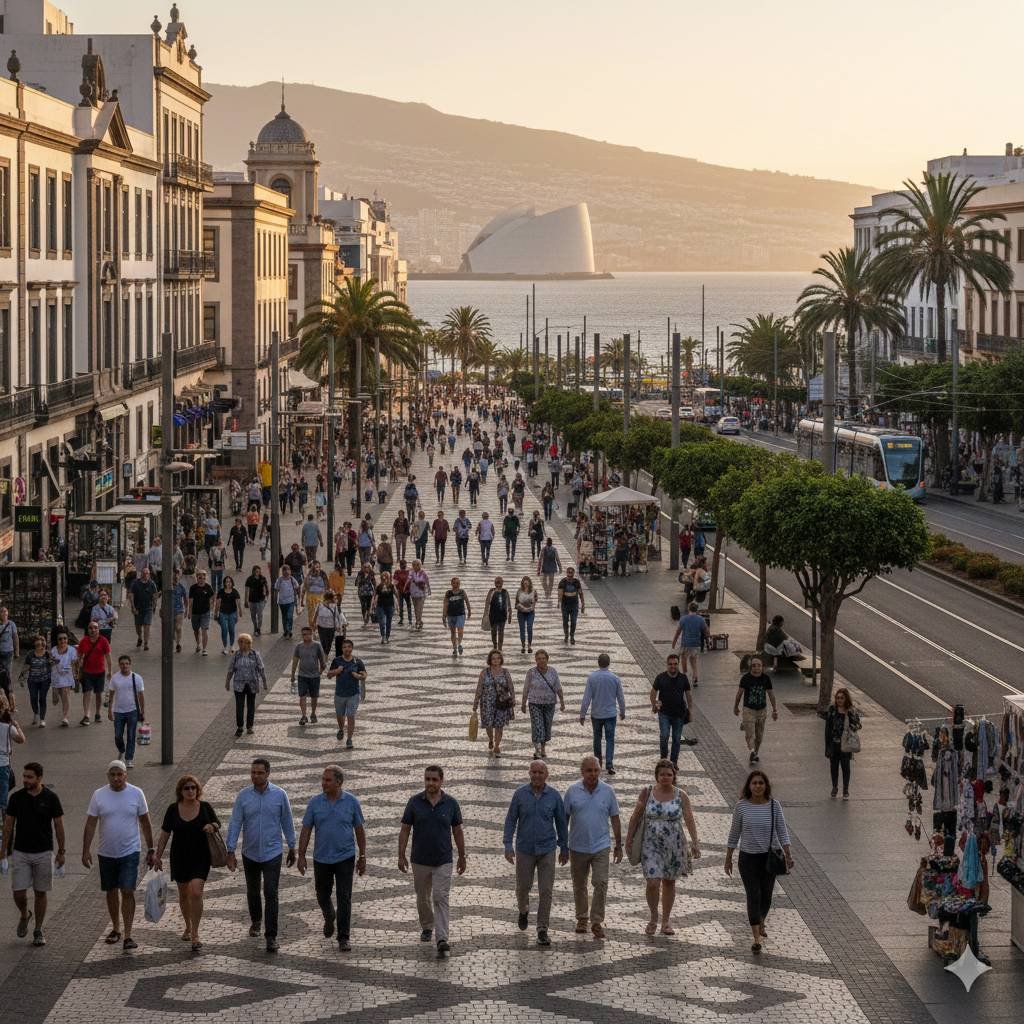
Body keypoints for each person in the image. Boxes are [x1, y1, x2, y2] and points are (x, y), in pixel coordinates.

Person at [82, 760, 155, 952]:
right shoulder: (99, 795)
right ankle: (115, 928)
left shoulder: (136, 793)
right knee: (111, 890)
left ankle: (129, 934)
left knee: (127, 889)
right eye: (112, 774)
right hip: (106, 852)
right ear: (108, 776)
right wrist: (85, 849)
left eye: (119, 774)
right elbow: (90, 823)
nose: (116, 778)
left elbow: (145, 822)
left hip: (130, 851)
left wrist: (151, 849)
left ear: (125, 775)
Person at [625, 759, 701, 936]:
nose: (666, 777)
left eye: (669, 774)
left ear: (674, 776)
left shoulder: (681, 795)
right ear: (656, 776)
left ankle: (665, 921)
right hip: (650, 844)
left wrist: (695, 842)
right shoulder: (647, 792)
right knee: (652, 882)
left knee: (669, 881)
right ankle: (653, 916)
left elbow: (689, 818)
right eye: (662, 774)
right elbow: (635, 816)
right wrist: (628, 840)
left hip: (674, 844)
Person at [398, 765, 467, 958]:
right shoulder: (414, 802)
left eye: (434, 780)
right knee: (422, 896)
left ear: (441, 781)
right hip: (419, 859)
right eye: (427, 779)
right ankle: (427, 925)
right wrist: (401, 854)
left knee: (440, 897)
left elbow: (457, 831)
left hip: (443, 859)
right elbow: (405, 829)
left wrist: (462, 856)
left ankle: (442, 938)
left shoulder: (451, 803)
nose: (430, 783)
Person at [297, 765, 366, 952]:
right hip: (321, 858)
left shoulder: (351, 802)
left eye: (328, 780)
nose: (323, 783)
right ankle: (329, 915)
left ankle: (344, 936)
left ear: (339, 782)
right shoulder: (315, 803)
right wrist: (301, 855)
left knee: (344, 897)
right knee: (322, 894)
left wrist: (362, 856)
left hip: (345, 857)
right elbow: (306, 829)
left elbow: (359, 830)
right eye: (323, 779)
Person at [724, 770, 794, 953]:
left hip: (769, 857)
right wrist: (728, 857)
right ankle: (756, 938)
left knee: (766, 896)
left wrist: (788, 854)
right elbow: (734, 833)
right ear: (749, 786)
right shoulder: (741, 807)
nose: (757, 786)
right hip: (748, 858)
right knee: (753, 895)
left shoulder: (774, 806)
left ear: (766, 786)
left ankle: (761, 919)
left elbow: (782, 831)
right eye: (754, 783)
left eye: (761, 783)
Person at [503, 760, 568, 947]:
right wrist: (508, 845)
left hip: (547, 848)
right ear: (529, 773)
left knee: (546, 890)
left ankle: (542, 928)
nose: (537, 776)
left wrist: (564, 848)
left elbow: (562, 824)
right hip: (525, 849)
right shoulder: (520, 794)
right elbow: (510, 821)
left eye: (540, 772)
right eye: (534, 772)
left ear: (546, 775)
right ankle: (523, 910)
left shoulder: (554, 796)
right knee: (523, 888)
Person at [153, 775, 220, 953]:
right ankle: (188, 925)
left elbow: (217, 822)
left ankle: (196, 934)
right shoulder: (173, 809)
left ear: (198, 790)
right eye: (187, 788)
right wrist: (157, 856)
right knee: (184, 894)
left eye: (193, 788)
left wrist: (212, 826)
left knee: (196, 892)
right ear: (180, 791)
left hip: (200, 856)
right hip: (180, 856)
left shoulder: (205, 807)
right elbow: (165, 834)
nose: (190, 791)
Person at [2, 760, 62, 947]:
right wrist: (3, 851)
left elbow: (58, 825)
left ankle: (38, 929)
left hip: (44, 852)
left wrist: (62, 851)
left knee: (40, 892)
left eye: (30, 777)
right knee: (18, 892)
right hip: (21, 852)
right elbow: (8, 825)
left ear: (39, 778)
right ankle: (24, 914)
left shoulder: (51, 798)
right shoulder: (17, 798)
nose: (25, 780)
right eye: (24, 776)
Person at [563, 755, 621, 940]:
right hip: (577, 846)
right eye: (589, 770)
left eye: (596, 770)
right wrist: (563, 845)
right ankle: (581, 918)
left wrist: (619, 844)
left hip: (601, 845)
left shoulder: (608, 791)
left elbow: (615, 818)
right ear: (582, 772)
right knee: (579, 884)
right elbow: (564, 819)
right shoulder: (572, 791)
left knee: (601, 882)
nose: (593, 774)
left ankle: (596, 920)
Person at [580, 653, 626, 774]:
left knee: (597, 738)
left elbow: (586, 698)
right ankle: (609, 764)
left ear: (598, 663)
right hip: (611, 714)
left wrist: (582, 714)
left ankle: (598, 762)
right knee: (610, 739)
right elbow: (620, 697)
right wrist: (622, 711)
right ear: (609, 663)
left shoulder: (592, 678)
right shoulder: (615, 678)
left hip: (597, 714)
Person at [650, 653, 697, 764]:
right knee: (664, 736)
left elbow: (688, 695)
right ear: (667, 665)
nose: (673, 666)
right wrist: (655, 703)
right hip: (664, 713)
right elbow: (653, 693)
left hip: (679, 714)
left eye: (675, 664)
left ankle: (673, 762)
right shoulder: (660, 678)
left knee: (676, 739)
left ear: (678, 664)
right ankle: (664, 759)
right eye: (670, 664)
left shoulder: (683, 678)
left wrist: (690, 710)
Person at [733, 655, 778, 764]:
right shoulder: (745, 678)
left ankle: (755, 753)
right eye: (754, 666)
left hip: (762, 711)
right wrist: (736, 706)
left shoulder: (766, 679)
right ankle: (752, 751)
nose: (756, 668)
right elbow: (739, 694)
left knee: (759, 736)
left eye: (759, 666)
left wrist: (775, 710)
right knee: (750, 734)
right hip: (748, 710)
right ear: (750, 667)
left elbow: (771, 694)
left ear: (762, 667)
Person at [522, 649, 565, 759]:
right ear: (535, 660)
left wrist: (562, 701)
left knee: (546, 726)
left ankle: (543, 748)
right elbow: (526, 688)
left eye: (543, 658)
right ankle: (537, 750)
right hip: (534, 703)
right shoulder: (531, 672)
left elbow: (558, 687)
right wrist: (523, 703)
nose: (541, 661)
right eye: (539, 659)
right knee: (537, 726)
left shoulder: (553, 672)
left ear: (547, 659)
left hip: (549, 703)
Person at [473, 649, 516, 757]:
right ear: (490, 660)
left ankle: (497, 745)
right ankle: (490, 739)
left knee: (499, 725)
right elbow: (479, 688)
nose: (496, 660)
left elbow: (511, 686)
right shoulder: (484, 672)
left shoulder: (505, 672)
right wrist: (475, 703)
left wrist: (513, 698)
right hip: (487, 702)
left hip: (502, 702)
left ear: (501, 659)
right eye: (493, 658)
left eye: (498, 658)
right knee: (488, 724)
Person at [225, 634, 268, 737]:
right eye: (240, 642)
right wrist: (227, 682)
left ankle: (249, 727)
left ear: (249, 644)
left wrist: (265, 681)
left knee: (251, 706)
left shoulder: (255, 654)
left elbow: (261, 669)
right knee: (239, 706)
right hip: (239, 684)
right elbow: (231, 670)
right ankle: (240, 727)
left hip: (252, 684)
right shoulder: (236, 655)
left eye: (244, 642)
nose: (241, 645)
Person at [327, 638, 366, 749]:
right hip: (339, 694)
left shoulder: (357, 661)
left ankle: (349, 739)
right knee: (340, 716)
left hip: (353, 694)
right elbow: (329, 675)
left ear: (352, 648)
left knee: (351, 716)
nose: (347, 649)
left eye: (349, 647)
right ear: (342, 649)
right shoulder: (337, 661)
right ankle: (340, 729)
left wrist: (358, 676)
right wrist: (336, 671)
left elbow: (364, 675)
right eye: (344, 647)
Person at [823, 687, 861, 800]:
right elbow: (827, 728)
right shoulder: (832, 710)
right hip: (834, 744)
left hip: (845, 744)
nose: (839, 700)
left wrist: (850, 726)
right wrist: (827, 745)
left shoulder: (851, 711)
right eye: (837, 698)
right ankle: (834, 787)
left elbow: (858, 725)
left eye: (842, 698)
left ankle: (845, 790)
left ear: (846, 699)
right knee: (833, 767)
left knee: (845, 767)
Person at [75, 620, 111, 726]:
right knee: (87, 693)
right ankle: (87, 715)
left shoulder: (104, 641)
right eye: (91, 628)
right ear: (88, 630)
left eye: (95, 628)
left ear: (98, 630)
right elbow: (79, 655)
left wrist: (110, 670)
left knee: (98, 693)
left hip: (100, 671)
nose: (93, 630)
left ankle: (98, 713)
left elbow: (108, 656)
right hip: (87, 672)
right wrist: (78, 666)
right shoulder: (84, 641)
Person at [291, 626, 327, 727]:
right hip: (302, 676)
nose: (305, 636)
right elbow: (295, 661)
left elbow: (322, 661)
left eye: (307, 634)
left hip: (314, 676)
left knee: (314, 697)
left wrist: (320, 672)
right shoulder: (299, 646)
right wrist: (292, 675)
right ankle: (303, 716)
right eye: (303, 634)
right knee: (302, 696)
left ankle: (313, 713)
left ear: (311, 634)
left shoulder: (317, 645)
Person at [19, 636, 51, 727]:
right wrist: (22, 678)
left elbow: (53, 664)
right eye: (36, 641)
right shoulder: (30, 654)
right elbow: (26, 667)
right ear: (34, 643)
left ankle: (42, 719)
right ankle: (36, 713)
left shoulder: (47, 654)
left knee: (42, 698)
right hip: (32, 680)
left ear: (43, 642)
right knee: (33, 698)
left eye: (40, 640)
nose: (38, 642)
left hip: (45, 680)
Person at [49, 632, 77, 728]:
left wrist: (75, 675)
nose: (63, 640)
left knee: (65, 695)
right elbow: (51, 664)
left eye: (64, 638)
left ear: (67, 639)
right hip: (56, 676)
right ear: (57, 640)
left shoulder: (72, 650)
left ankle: (65, 717)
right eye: (60, 639)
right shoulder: (53, 650)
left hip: (67, 676)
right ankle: (55, 694)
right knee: (56, 699)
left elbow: (74, 663)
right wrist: (52, 661)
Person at [127, 567, 158, 651]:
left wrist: (154, 606)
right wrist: (133, 607)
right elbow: (131, 595)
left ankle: (146, 643)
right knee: (138, 626)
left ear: (149, 575)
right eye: (144, 573)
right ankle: (140, 637)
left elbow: (155, 596)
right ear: (141, 574)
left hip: (148, 608)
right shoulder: (135, 583)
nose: (145, 575)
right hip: (138, 608)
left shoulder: (152, 584)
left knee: (147, 625)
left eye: (147, 573)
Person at [188, 569, 215, 655]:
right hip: (195, 612)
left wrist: (211, 611)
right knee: (196, 630)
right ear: (197, 577)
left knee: (204, 630)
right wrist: (189, 612)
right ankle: (198, 644)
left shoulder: (208, 587)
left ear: (205, 577)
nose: (201, 578)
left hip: (205, 612)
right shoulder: (193, 588)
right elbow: (191, 601)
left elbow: (212, 599)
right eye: (199, 576)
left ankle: (204, 649)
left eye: (203, 576)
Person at [442, 577, 471, 657]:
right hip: (450, 615)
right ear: (451, 584)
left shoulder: (462, 592)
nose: (456, 585)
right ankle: (454, 648)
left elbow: (467, 601)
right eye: (454, 583)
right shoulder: (448, 593)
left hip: (461, 614)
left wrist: (469, 610)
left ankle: (459, 644)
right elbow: (445, 604)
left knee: (460, 630)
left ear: (459, 584)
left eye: (457, 583)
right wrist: (444, 616)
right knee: (453, 632)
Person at [482, 576, 513, 651]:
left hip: (503, 615)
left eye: (500, 581)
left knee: (501, 631)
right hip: (493, 615)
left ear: (502, 583)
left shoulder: (505, 592)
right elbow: (487, 603)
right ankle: (495, 645)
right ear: (494, 583)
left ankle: (500, 648)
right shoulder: (491, 591)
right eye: (496, 581)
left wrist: (510, 614)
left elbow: (508, 603)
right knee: (493, 631)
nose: (498, 583)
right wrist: (485, 614)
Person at [214, 575, 242, 655]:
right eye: (226, 581)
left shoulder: (234, 591)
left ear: (232, 583)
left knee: (232, 630)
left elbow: (238, 602)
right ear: (224, 583)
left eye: (229, 581)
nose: (228, 583)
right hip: (223, 613)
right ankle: (225, 647)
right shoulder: (221, 592)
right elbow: (218, 603)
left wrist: (240, 611)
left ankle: (232, 646)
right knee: (224, 630)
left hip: (232, 613)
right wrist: (216, 613)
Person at [557, 566, 585, 644]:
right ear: (566, 573)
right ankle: (566, 635)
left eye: (571, 573)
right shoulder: (562, 582)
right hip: (565, 605)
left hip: (574, 605)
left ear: (573, 573)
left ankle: (572, 636)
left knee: (574, 621)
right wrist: (559, 602)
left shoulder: (576, 582)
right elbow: (560, 593)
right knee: (565, 621)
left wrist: (583, 604)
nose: (569, 575)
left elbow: (580, 593)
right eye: (568, 573)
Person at [274, 565, 301, 640]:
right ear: (282, 572)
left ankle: (289, 630)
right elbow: (276, 589)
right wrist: (275, 599)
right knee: (284, 617)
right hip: (282, 602)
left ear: (290, 571)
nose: (286, 572)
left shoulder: (292, 579)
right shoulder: (280, 580)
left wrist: (299, 597)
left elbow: (298, 588)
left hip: (291, 601)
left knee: (289, 616)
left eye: (288, 570)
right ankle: (286, 630)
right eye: (284, 570)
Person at [371, 570, 398, 644]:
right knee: (382, 622)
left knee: (388, 622)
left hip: (390, 605)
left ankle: (387, 636)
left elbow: (396, 595)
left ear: (389, 578)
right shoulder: (379, 586)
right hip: (380, 606)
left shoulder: (392, 586)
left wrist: (397, 606)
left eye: (386, 577)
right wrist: (373, 605)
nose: (384, 578)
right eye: (383, 577)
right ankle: (383, 636)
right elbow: (374, 596)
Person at [302, 560, 329, 628]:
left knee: (320, 614)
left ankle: (318, 628)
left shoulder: (323, 574)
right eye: (316, 567)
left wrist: (327, 598)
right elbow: (305, 587)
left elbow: (327, 586)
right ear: (312, 568)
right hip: (310, 598)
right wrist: (302, 600)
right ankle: (312, 628)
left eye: (318, 567)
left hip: (321, 597)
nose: (318, 569)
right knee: (311, 614)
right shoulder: (309, 575)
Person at [514, 576, 537, 654]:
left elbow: (535, 602)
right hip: (521, 613)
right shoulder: (519, 591)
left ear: (530, 582)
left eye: (527, 581)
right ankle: (523, 645)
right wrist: (523, 608)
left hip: (530, 612)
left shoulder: (533, 591)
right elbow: (516, 603)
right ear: (522, 582)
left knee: (529, 628)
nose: (526, 582)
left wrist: (530, 608)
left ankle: (529, 645)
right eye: (524, 581)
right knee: (522, 629)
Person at [244, 564, 269, 636]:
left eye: (258, 571)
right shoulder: (249, 579)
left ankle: (258, 628)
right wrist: (246, 600)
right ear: (253, 572)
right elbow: (246, 590)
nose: (257, 573)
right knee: (253, 615)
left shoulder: (263, 578)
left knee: (260, 615)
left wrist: (266, 598)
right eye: (256, 571)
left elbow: (266, 588)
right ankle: (255, 627)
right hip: (252, 600)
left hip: (261, 600)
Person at [0, 606, 19, 684]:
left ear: (8, 613)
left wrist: (17, 651)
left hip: (8, 651)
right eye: (2, 611)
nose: (4, 613)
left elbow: (15, 638)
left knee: (7, 671)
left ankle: (8, 689)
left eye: (5, 611)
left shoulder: (11, 624)